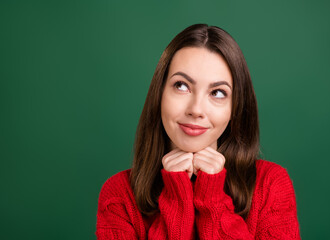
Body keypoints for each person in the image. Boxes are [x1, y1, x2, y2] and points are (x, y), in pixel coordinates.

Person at [96, 24, 301, 239]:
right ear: (160, 94)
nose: (196, 110)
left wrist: (212, 201)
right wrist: (176, 200)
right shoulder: (119, 195)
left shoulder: (270, 185)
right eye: (182, 86)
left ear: (235, 108)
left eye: (218, 92)